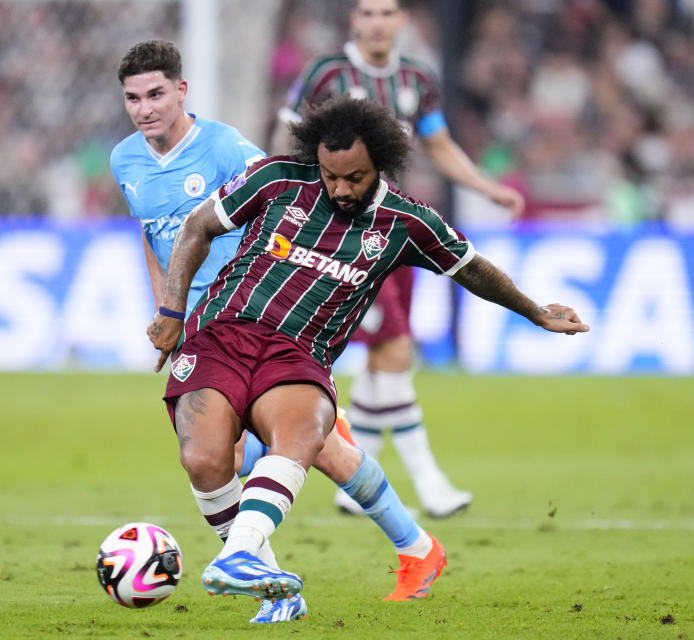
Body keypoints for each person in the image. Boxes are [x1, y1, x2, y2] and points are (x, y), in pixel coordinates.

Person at [147, 94, 588, 605]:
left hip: (298, 354)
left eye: (353, 177)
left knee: (301, 434)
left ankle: (245, 557)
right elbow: (197, 226)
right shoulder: (277, 179)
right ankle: (279, 576)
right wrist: (172, 309)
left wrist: (535, 311)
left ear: (380, 162)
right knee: (205, 460)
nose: (340, 188)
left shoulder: (407, 222)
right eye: (330, 175)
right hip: (223, 334)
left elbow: (471, 268)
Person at [112, 41, 448, 623]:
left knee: (260, 453)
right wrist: (167, 308)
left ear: (181, 91)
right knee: (273, 453)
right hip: (196, 325)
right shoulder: (124, 161)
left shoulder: (226, 148)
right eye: (134, 98)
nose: (146, 109)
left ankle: (382, 557)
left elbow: (279, 205)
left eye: (157, 94)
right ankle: (408, 549)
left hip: (256, 319)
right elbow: (153, 235)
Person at [272, 0, 527, 519]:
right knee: (394, 349)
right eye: (367, 13)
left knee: (386, 358)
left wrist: (486, 187)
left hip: (393, 230)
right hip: (342, 232)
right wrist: (276, 197)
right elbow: (289, 136)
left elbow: (439, 144)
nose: (376, 22)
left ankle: (352, 483)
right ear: (354, 21)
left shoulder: (418, 77)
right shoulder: (327, 73)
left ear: (402, 21)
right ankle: (429, 482)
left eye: (386, 12)